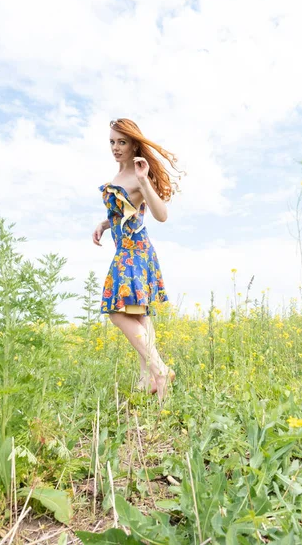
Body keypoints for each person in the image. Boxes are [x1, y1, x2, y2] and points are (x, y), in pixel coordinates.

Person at [92, 118, 181, 402]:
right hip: (126, 250)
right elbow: (124, 213)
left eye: (122, 142)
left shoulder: (138, 175)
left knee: (117, 311)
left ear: (133, 145)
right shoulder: (118, 177)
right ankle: (148, 378)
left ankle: (160, 370)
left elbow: (161, 215)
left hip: (135, 252)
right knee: (137, 314)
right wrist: (105, 225)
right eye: (112, 142)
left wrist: (144, 181)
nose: (116, 148)